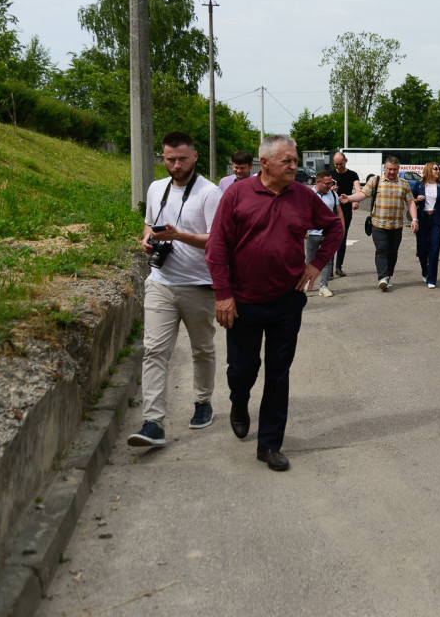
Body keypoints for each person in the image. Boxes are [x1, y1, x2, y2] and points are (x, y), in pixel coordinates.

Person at [205, 134, 344, 472]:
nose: (296, 167)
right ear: (264, 163)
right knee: (242, 370)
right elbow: (217, 247)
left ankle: (269, 445)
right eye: (288, 162)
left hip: (286, 301)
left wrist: (316, 264)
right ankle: (239, 403)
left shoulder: (303, 197)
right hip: (243, 302)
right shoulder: (237, 194)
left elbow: (334, 228)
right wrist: (223, 294)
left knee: (278, 374)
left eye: (295, 161)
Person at [128, 131, 223, 447]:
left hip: (198, 285)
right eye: (170, 159)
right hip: (161, 282)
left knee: (202, 349)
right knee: (154, 350)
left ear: (194, 156)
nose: (176, 164)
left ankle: (202, 401)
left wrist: (178, 236)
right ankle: (152, 423)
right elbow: (150, 223)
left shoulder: (209, 193)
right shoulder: (156, 188)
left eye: (182, 158)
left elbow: (216, 239)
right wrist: (147, 239)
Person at [341, 157, 418, 291]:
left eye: (395, 169)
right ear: (384, 168)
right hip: (378, 224)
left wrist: (415, 220)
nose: (392, 172)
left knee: (393, 252)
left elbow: (410, 202)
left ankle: (388, 275)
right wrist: (349, 198)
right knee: (382, 249)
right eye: (389, 169)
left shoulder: (404, 184)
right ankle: (382, 277)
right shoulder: (375, 181)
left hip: (396, 225)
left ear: (398, 169)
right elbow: (363, 194)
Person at [410, 162, 440, 288]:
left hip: (437, 220)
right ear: (428, 170)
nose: (438, 171)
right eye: (435, 169)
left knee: (435, 248)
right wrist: (417, 199)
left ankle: (432, 279)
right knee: (422, 250)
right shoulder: (419, 184)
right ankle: (425, 270)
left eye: (439, 169)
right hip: (423, 219)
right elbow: (410, 201)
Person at [306, 170, 343, 297]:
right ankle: (307, 282)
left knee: (327, 260)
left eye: (330, 183)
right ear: (318, 182)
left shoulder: (333, 194)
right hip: (312, 233)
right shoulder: (308, 194)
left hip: (328, 233)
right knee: (310, 260)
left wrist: (341, 230)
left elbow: (339, 213)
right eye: (327, 183)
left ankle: (324, 286)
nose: (329, 186)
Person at [329, 151, 362, 277]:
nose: (338, 167)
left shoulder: (352, 174)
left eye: (341, 164)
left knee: (342, 238)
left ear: (346, 161)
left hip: (346, 209)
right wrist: (331, 189)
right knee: (331, 238)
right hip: (331, 209)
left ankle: (338, 267)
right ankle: (329, 268)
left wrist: (355, 200)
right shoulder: (330, 174)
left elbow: (358, 190)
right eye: (336, 164)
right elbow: (321, 188)